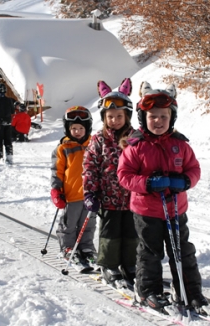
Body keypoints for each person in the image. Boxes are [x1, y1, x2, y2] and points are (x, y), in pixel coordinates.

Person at [117, 81, 210, 316]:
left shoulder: (179, 145)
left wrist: (186, 181)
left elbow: (194, 168)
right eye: (153, 117)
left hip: (175, 209)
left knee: (183, 251)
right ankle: (148, 291)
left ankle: (189, 292)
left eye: (163, 117)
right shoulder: (135, 146)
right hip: (147, 211)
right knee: (150, 252)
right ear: (143, 118)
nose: (158, 121)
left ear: (172, 118)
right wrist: (148, 183)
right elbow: (124, 176)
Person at [82, 78, 138, 287]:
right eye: (110, 117)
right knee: (110, 233)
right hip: (107, 198)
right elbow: (90, 167)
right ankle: (109, 265)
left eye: (119, 116)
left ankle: (130, 264)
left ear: (127, 116)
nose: (114, 120)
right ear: (104, 118)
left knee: (131, 233)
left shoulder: (135, 138)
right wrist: (90, 192)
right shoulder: (98, 140)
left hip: (132, 198)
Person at [50, 106, 97, 264]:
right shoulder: (63, 148)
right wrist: (56, 190)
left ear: (87, 128)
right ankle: (68, 247)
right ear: (67, 128)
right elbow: (57, 171)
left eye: (81, 128)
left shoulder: (94, 145)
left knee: (88, 223)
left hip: (91, 195)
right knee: (69, 224)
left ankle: (86, 247)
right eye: (74, 128)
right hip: (71, 195)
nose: (77, 131)